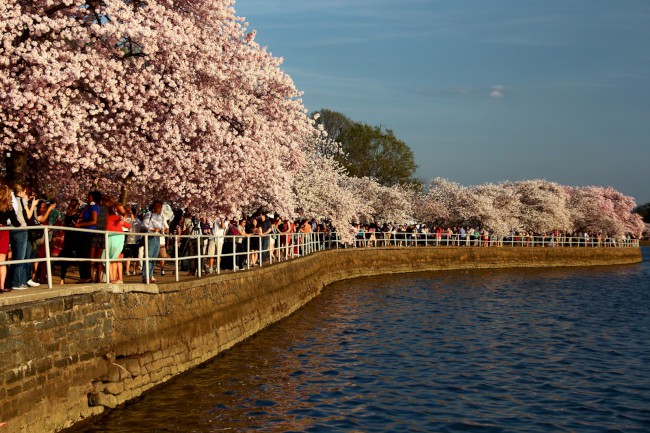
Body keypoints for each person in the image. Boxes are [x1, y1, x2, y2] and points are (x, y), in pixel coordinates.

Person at [10, 184, 40, 290]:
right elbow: (28, 215)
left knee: (15, 256)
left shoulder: (11, 199)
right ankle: (17, 283)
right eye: (25, 192)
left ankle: (16, 281)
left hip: (12, 229)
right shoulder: (21, 200)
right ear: (21, 192)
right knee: (21, 257)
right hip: (22, 228)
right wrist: (33, 205)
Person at [74, 191, 100, 284]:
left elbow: (94, 221)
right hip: (83, 233)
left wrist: (80, 225)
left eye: (89, 197)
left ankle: (87, 276)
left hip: (88, 233)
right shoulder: (88, 207)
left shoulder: (94, 208)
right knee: (81, 254)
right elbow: (81, 215)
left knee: (85, 253)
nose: (87, 199)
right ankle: (83, 276)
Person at [0, 185, 20, 292]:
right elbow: (15, 223)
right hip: (4, 231)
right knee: (2, 261)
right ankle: (2, 286)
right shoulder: (9, 207)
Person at [140, 200, 166, 283]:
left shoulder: (161, 216)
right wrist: (152, 229)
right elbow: (144, 224)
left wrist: (162, 230)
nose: (159, 208)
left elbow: (162, 226)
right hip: (150, 236)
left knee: (154, 257)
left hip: (157, 237)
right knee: (148, 256)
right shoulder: (149, 214)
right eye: (158, 206)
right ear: (154, 207)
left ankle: (150, 275)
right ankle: (145, 276)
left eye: (160, 207)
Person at [58, 198, 80, 284]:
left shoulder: (67, 214)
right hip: (76, 236)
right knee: (80, 256)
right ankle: (83, 276)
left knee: (65, 258)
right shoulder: (77, 215)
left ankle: (62, 278)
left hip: (67, 237)